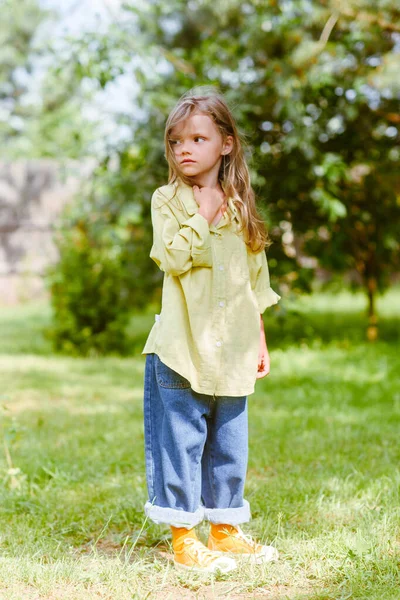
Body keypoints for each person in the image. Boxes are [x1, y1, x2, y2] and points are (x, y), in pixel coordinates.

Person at [142, 88, 281, 574]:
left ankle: (224, 529)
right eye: (176, 140)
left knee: (229, 442)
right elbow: (172, 257)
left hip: (235, 349)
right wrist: (202, 214)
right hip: (182, 351)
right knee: (181, 441)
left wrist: (259, 338)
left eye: (198, 138)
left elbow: (253, 279)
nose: (185, 148)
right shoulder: (168, 201)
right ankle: (185, 537)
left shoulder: (241, 205)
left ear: (225, 144)